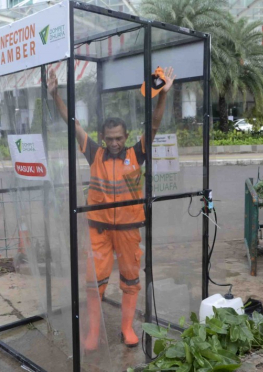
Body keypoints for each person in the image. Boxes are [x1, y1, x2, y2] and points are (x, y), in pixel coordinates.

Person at [48, 66, 175, 350]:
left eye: (119, 138)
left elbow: (154, 125)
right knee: (94, 283)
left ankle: (127, 329)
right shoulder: (95, 153)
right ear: (103, 137)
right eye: (110, 138)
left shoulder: (136, 153)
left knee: (130, 280)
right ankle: (94, 332)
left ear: (126, 136)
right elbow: (72, 123)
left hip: (129, 230)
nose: (115, 142)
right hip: (100, 230)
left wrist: (163, 97)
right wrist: (55, 95)